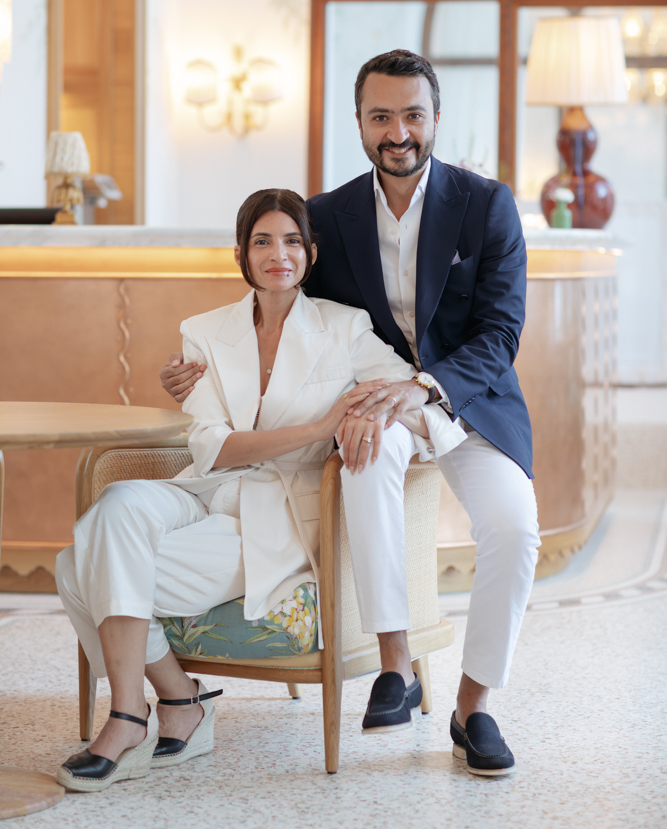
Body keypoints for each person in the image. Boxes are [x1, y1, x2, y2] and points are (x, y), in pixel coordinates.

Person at [161, 50, 541, 777]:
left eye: (412, 115)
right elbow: (287, 310)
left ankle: (474, 706)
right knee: (362, 452)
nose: (397, 132)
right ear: (359, 123)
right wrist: (201, 369)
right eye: (380, 117)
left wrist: (424, 388)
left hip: (467, 405)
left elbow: (500, 334)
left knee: (516, 530)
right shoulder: (328, 216)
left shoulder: (486, 204)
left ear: (435, 118)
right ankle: (393, 662)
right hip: (377, 401)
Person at [56, 188, 465, 792]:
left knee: (75, 567)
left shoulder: (345, 328)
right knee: (116, 507)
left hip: (280, 515)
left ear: (311, 253)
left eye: (293, 241)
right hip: (206, 489)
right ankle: (173, 700)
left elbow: (407, 394)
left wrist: (367, 418)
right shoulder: (202, 332)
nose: (279, 255)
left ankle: (133, 716)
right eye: (263, 241)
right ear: (242, 254)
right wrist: (318, 429)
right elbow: (212, 447)